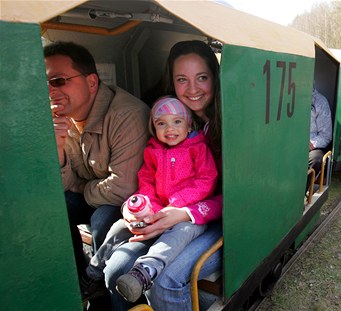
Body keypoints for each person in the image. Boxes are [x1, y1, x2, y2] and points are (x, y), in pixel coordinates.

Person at [102, 40, 224, 311]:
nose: (192, 89)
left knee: (165, 281)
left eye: (201, 77)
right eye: (182, 79)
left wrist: (183, 212)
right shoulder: (167, 125)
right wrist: (141, 207)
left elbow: (238, 197)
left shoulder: (229, 124)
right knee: (115, 269)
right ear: (172, 82)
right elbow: (150, 178)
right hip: (168, 212)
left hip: (217, 220)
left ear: (215, 79)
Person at [80, 96, 218, 303]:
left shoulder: (198, 148)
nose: (169, 129)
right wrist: (148, 205)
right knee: (119, 227)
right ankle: (94, 269)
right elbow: (146, 180)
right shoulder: (153, 151)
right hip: (159, 209)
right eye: (161, 123)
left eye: (177, 122)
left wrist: (177, 202)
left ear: (189, 125)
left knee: (179, 235)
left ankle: (145, 270)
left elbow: (207, 180)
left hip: (189, 214)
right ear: (153, 127)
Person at [45, 42, 150, 284]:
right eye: (45, 83)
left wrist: (80, 187)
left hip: (127, 203)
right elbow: (62, 182)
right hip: (97, 192)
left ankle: (100, 289)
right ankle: (73, 280)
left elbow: (122, 189)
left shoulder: (126, 115)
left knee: (103, 218)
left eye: (59, 81)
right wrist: (58, 147)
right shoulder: (60, 117)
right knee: (54, 205)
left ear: (91, 83)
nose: (50, 91)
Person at [308, 88, 332, 187]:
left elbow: (326, 135)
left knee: (316, 158)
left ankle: (302, 192)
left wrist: (312, 144)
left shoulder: (320, 102)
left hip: (311, 144)